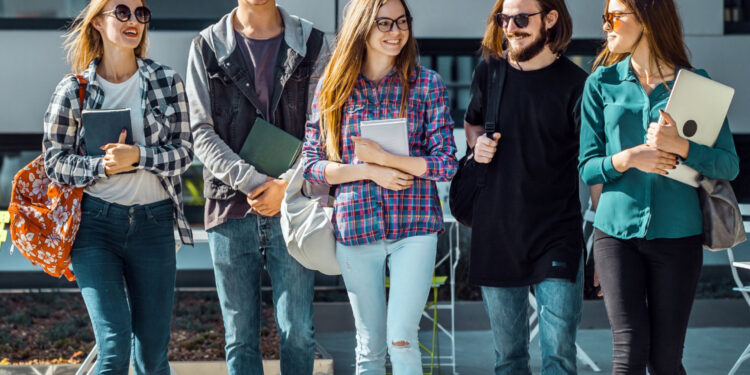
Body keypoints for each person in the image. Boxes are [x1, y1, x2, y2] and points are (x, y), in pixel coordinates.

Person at [578, 0, 739, 373]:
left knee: (666, 361)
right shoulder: (600, 84)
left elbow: (728, 164)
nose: (605, 25)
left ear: (647, 21)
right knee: (629, 353)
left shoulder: (698, 85)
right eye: (606, 16)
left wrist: (680, 146)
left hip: (678, 237)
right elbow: (587, 167)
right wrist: (628, 158)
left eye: (614, 16)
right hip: (615, 235)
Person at [302, 0, 457, 372]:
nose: (396, 32)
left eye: (402, 22)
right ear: (362, 28)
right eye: (384, 23)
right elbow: (312, 165)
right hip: (356, 228)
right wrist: (370, 171)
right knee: (369, 344)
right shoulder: (334, 88)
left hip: (415, 229)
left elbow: (446, 162)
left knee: (402, 338)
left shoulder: (426, 84)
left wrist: (388, 161)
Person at [44, 0, 194, 373]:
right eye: (122, 12)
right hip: (95, 227)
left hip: (155, 225)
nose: (134, 20)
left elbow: (185, 153)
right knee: (113, 346)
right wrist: (102, 165)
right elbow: (54, 161)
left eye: (140, 13)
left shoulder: (166, 80)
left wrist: (138, 157)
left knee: (152, 356)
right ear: (97, 22)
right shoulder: (73, 90)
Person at [184, 0, 328, 373]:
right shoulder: (206, 46)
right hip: (229, 209)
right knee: (239, 338)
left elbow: (323, 126)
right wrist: (253, 180)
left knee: (298, 331)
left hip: (293, 209)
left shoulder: (312, 42)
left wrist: (286, 185)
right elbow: (201, 132)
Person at [464, 0, 588, 373]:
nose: (511, 27)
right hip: (497, 231)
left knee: (559, 356)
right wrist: (476, 145)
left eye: (521, 18)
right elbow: (472, 123)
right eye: (504, 19)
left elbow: (592, 161)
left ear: (550, 19)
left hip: (557, 232)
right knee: (509, 358)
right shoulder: (491, 71)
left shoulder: (576, 83)